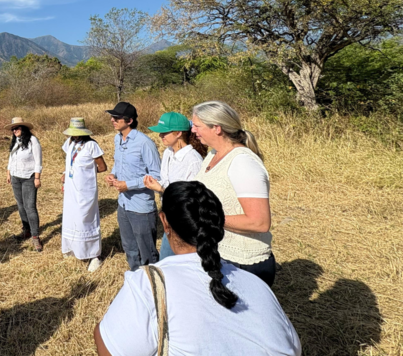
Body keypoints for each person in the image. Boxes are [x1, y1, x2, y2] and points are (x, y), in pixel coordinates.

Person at [94, 181, 301, 356]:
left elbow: (108, 347)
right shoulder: (258, 286)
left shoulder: (149, 284)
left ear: (165, 223)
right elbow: (293, 347)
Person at [190, 101, 276, 286]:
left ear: (217, 128)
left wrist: (205, 217)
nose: (193, 131)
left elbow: (259, 222)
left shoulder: (243, 163)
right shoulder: (213, 154)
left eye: (197, 126)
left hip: (242, 263)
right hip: (218, 254)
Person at [104, 102, 162, 270]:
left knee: (148, 253)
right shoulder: (117, 139)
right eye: (112, 117)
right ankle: (136, 282)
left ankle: (153, 287)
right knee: (130, 248)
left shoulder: (145, 143)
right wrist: (113, 174)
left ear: (129, 121)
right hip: (123, 204)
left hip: (141, 207)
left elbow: (156, 176)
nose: (112, 120)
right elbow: (119, 162)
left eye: (116, 118)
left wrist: (128, 185)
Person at [143, 111, 207, 259]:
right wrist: (157, 184)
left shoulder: (193, 161)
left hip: (185, 221)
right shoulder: (167, 153)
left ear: (178, 133)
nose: (160, 136)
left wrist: (160, 189)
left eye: (164, 132)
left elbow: (192, 199)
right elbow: (166, 180)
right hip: (170, 217)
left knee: (173, 261)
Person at [61, 117, 107, 272]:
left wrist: (85, 173)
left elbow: (102, 167)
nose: (74, 135)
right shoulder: (69, 143)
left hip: (86, 189)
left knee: (85, 219)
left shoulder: (91, 145)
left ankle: (95, 255)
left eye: (76, 133)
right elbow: (69, 162)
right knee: (71, 217)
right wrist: (66, 173)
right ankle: (73, 248)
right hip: (71, 188)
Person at [5, 117, 43, 252]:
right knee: (20, 206)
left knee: (30, 207)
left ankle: (35, 236)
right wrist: (8, 172)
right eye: (13, 129)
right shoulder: (15, 140)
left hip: (29, 177)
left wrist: (37, 178)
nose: (15, 130)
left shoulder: (33, 141)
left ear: (23, 128)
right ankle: (26, 230)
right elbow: (11, 158)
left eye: (17, 128)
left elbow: (38, 161)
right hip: (16, 177)